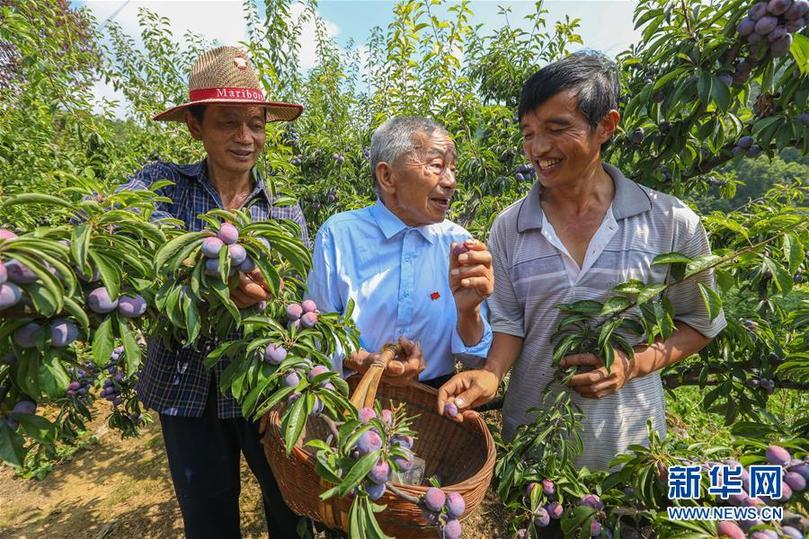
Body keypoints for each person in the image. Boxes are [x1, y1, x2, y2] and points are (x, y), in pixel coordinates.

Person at [437, 52, 727, 471]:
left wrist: (633, 364)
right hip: (535, 455)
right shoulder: (510, 226)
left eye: (557, 129)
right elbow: (511, 323)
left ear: (606, 126)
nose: (538, 149)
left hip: (633, 452)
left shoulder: (670, 222)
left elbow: (699, 323)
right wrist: (491, 373)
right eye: (528, 133)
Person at [117, 46, 308, 538]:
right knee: (207, 516)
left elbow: (297, 295)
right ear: (195, 127)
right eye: (228, 122)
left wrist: (272, 296)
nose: (246, 138)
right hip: (184, 387)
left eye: (257, 123)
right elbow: (113, 233)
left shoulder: (282, 209)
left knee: (289, 505)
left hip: (262, 388)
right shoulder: (161, 184)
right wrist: (205, 280)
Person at [305, 117, 494, 388]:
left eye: (453, 169)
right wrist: (362, 360)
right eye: (437, 166)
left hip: (434, 406)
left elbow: (475, 360)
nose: (450, 181)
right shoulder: (339, 235)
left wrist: (470, 312)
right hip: (355, 397)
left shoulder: (458, 243)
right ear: (388, 177)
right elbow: (316, 332)